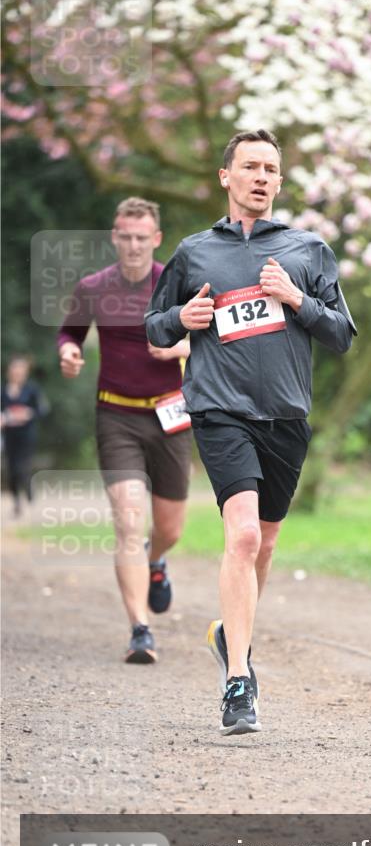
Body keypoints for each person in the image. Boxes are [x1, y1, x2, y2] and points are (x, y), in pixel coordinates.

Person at [145, 129, 356, 735]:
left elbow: (341, 334)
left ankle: (229, 634)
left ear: (280, 183)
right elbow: (156, 327)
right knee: (240, 538)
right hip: (219, 410)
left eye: (271, 169)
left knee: (263, 543)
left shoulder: (308, 250)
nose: (261, 177)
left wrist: (296, 300)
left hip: (286, 415)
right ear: (226, 177)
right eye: (250, 166)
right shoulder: (193, 253)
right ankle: (239, 680)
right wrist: (181, 317)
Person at [58, 197, 192, 664]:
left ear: (156, 240)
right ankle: (140, 629)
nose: (133, 245)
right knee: (129, 520)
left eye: (142, 237)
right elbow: (70, 332)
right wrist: (69, 353)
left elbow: (207, 339)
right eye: (125, 236)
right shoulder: (94, 287)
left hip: (171, 416)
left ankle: (157, 562)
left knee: (170, 528)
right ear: (114, 238)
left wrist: (178, 351)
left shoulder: (176, 286)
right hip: (116, 415)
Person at [1, 355, 49, 516]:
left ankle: (29, 493)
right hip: (9, 435)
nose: (17, 372)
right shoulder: (2, 391)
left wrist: (28, 414)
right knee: (12, 469)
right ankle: (16, 502)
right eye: (15, 369)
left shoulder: (32, 390)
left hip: (27, 435)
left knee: (23, 467)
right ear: (9, 371)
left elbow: (42, 411)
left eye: (20, 369)